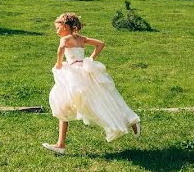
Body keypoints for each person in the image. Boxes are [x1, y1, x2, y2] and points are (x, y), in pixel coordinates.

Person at [43, 13, 140, 155]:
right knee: (73, 104)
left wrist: (58, 62)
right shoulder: (81, 39)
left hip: (74, 75)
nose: (56, 31)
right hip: (84, 71)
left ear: (65, 27)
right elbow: (101, 44)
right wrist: (91, 58)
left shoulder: (65, 39)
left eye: (57, 28)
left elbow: (61, 47)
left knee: (78, 104)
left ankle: (131, 121)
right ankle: (60, 144)